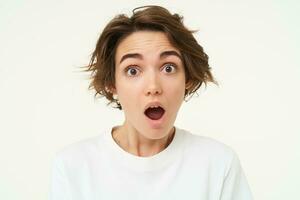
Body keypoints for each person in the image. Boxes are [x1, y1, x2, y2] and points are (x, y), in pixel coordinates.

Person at [49, 5, 253, 200]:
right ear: (112, 83)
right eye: (133, 70)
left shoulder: (218, 164)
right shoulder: (73, 166)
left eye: (168, 68)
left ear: (187, 79)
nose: (153, 86)